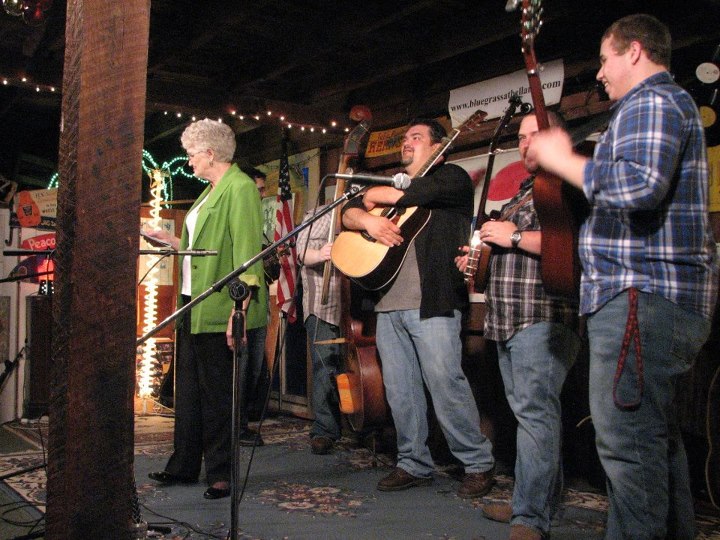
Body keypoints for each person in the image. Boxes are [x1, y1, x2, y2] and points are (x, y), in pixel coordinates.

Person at [526, 14, 719, 539]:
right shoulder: (658, 106)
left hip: (640, 295)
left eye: (605, 59)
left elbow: (638, 186)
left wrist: (561, 159)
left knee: (628, 447)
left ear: (633, 51)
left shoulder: (651, 101)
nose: (600, 73)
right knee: (654, 442)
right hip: (651, 298)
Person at [341, 118, 495, 497]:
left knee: (445, 383)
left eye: (416, 137)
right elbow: (347, 213)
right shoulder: (394, 184)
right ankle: (413, 462)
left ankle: (477, 463)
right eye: (404, 137)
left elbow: (413, 192)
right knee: (400, 389)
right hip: (388, 303)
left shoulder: (453, 178)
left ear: (438, 147)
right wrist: (368, 221)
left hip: (434, 301)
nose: (406, 142)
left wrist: (374, 195)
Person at [456, 112, 581, 540]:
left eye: (535, 135)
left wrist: (510, 237)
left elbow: (570, 245)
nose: (525, 143)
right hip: (506, 319)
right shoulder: (524, 193)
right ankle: (535, 500)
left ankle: (530, 517)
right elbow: (507, 250)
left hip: (543, 315)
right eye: (521, 137)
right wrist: (478, 259)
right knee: (531, 417)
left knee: (535, 416)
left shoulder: (565, 185)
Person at [145, 118, 268, 500]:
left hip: (219, 308)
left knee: (217, 397)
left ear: (211, 154)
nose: (189, 161)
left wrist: (238, 311)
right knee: (188, 395)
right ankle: (183, 465)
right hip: (192, 306)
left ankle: (220, 474)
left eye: (192, 154)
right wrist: (172, 241)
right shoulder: (210, 190)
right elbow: (204, 246)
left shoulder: (240, 188)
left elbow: (247, 254)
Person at [295, 205, 343, 455]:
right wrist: (321, 253)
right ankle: (325, 429)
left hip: (355, 304)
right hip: (324, 305)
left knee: (354, 369)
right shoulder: (320, 214)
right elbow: (301, 253)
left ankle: (361, 424)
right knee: (325, 368)